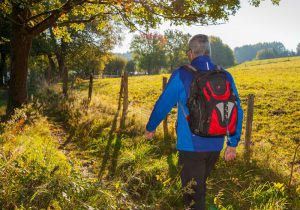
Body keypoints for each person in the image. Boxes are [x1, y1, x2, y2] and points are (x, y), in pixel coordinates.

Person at [145, 34, 243, 210]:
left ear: (190, 53)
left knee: (192, 197)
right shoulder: (225, 75)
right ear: (209, 52)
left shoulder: (182, 74)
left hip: (190, 146)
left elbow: (164, 103)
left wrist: (150, 127)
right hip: (216, 144)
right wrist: (233, 143)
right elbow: (237, 109)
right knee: (199, 188)